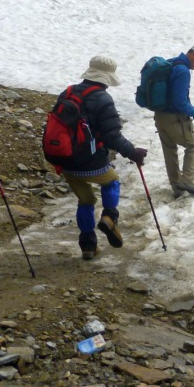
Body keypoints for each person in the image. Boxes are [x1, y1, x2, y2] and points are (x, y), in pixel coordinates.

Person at [56, 55, 147, 259]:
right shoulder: (103, 99)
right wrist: (133, 152)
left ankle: (88, 246)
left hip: (66, 159)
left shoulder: (67, 92)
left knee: (86, 200)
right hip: (92, 161)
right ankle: (109, 217)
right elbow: (112, 136)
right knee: (112, 182)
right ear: (106, 78)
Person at [155, 44, 194, 197]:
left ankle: (177, 187)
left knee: (169, 150)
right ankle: (186, 180)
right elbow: (180, 101)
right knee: (192, 147)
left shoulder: (171, 63)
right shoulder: (183, 71)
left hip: (160, 116)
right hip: (174, 118)